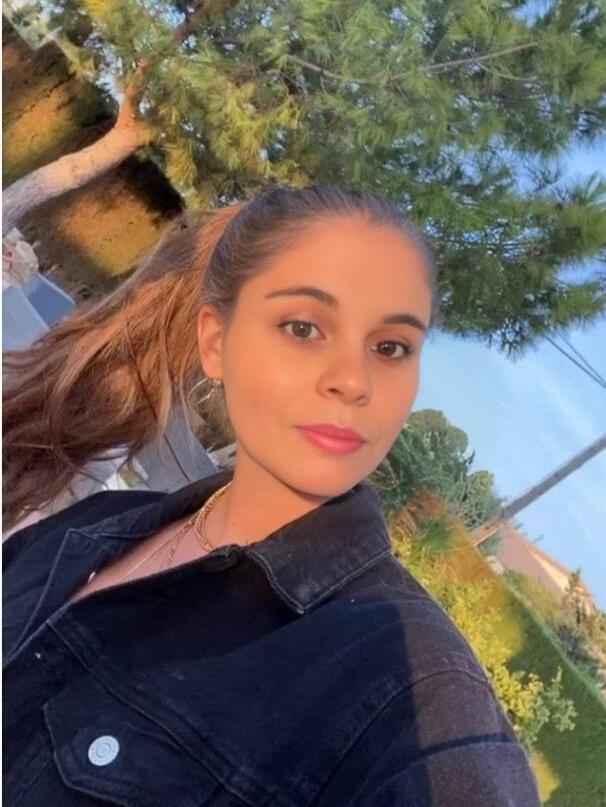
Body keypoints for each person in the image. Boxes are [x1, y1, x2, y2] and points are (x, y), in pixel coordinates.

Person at [2, 183, 542, 806]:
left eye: (391, 347)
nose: (353, 380)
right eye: (304, 327)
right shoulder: (89, 530)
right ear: (215, 342)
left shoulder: (417, 692)